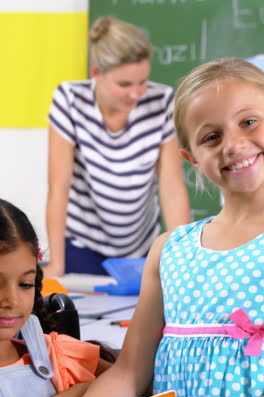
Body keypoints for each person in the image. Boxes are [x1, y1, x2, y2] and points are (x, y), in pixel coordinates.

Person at [33, 57, 264, 397]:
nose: (232, 144)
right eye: (211, 137)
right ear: (191, 158)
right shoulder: (170, 249)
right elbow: (129, 374)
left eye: (249, 122)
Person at [44, 15, 190, 277]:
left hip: (143, 246)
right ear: (96, 74)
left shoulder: (162, 100)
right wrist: (56, 263)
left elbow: (172, 187)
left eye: (143, 81)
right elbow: (59, 186)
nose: (136, 93)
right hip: (82, 245)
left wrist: (183, 259)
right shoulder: (69, 99)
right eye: (124, 84)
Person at [0, 199, 113, 397]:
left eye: (25, 284)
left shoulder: (59, 356)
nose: (11, 300)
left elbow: (140, 387)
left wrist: (82, 393)